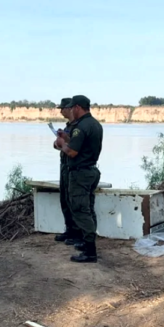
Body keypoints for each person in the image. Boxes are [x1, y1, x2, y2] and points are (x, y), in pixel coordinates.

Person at [56, 95, 103, 263]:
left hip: (80, 173)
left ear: (77, 107)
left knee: (80, 210)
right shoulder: (95, 124)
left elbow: (73, 152)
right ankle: (87, 244)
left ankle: (90, 251)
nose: (70, 111)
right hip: (91, 171)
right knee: (88, 208)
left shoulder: (80, 126)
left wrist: (62, 144)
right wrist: (67, 139)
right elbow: (81, 144)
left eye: (71, 107)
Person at [53, 97, 80, 245]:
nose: (61, 111)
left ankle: (76, 233)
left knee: (72, 200)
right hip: (64, 164)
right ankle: (69, 230)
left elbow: (74, 147)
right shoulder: (69, 125)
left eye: (62, 108)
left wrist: (63, 143)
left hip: (72, 166)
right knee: (64, 198)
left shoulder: (77, 126)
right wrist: (58, 142)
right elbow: (60, 145)